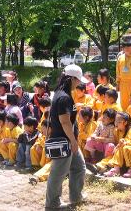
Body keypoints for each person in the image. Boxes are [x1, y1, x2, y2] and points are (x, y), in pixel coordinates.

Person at [45, 64, 88, 209]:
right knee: (58, 174)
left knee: (79, 167)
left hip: (67, 140)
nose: (79, 83)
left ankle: (76, 196)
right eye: (78, 80)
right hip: (64, 141)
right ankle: (52, 204)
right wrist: (73, 141)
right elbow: (65, 121)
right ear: (71, 79)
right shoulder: (63, 97)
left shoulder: (62, 93)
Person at [103, 109, 131, 177]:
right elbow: (128, 139)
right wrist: (124, 141)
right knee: (121, 146)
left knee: (128, 148)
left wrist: (128, 143)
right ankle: (116, 169)